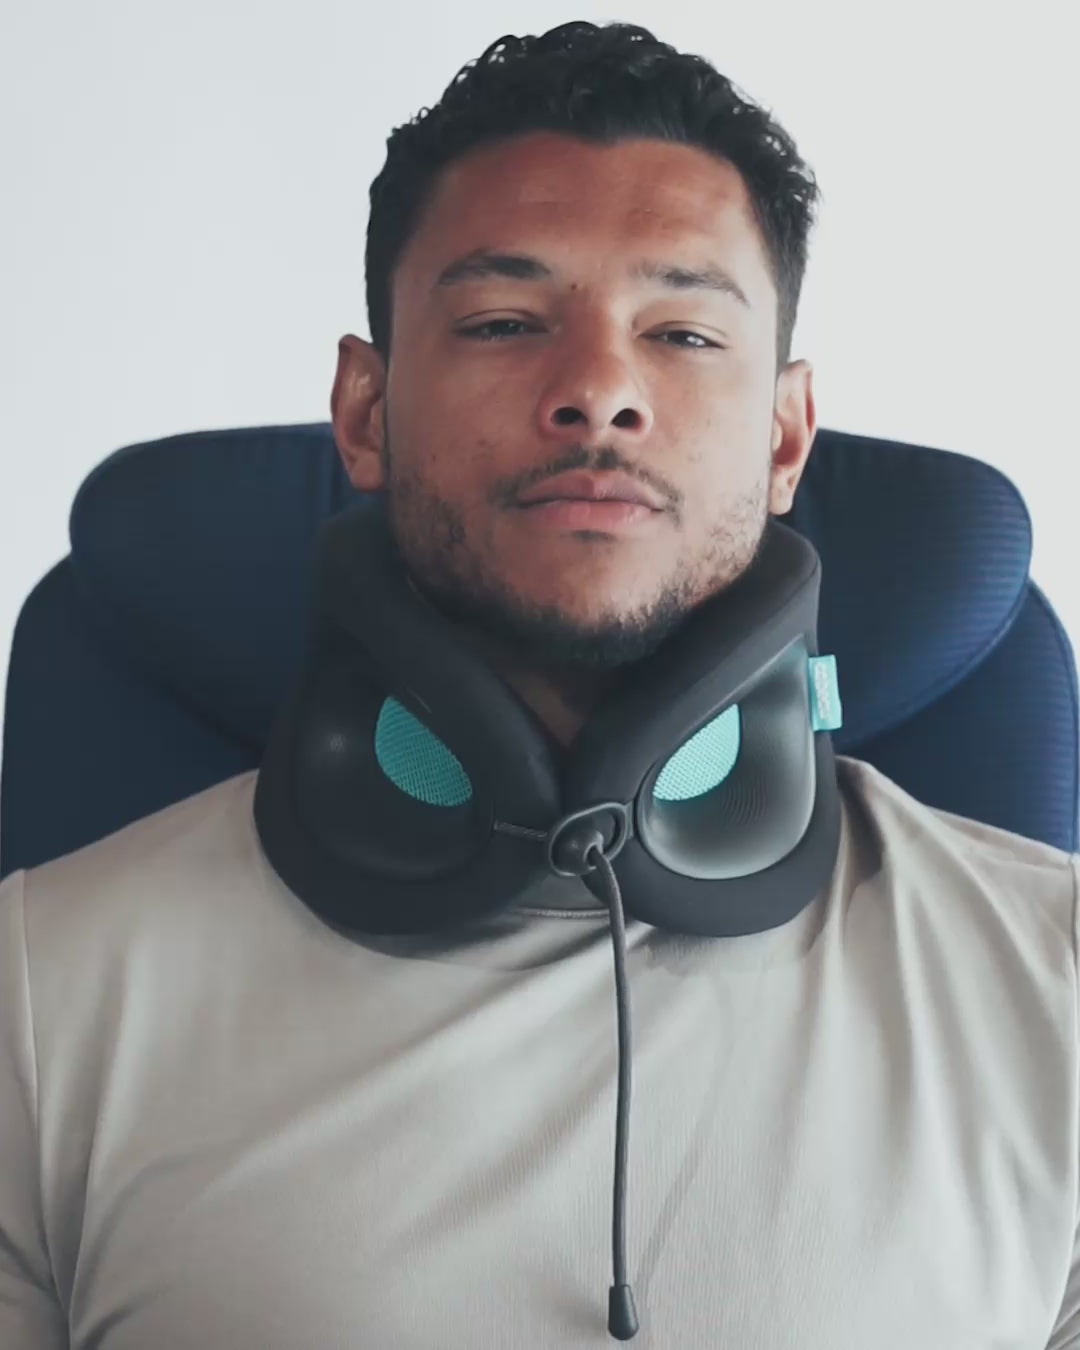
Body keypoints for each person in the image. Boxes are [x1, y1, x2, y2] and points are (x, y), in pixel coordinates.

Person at [1, 19, 1078, 1349]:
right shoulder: (37, 997)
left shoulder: (1059, 987)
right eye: (506, 321)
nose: (599, 390)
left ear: (787, 434)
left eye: (684, 332)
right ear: (364, 412)